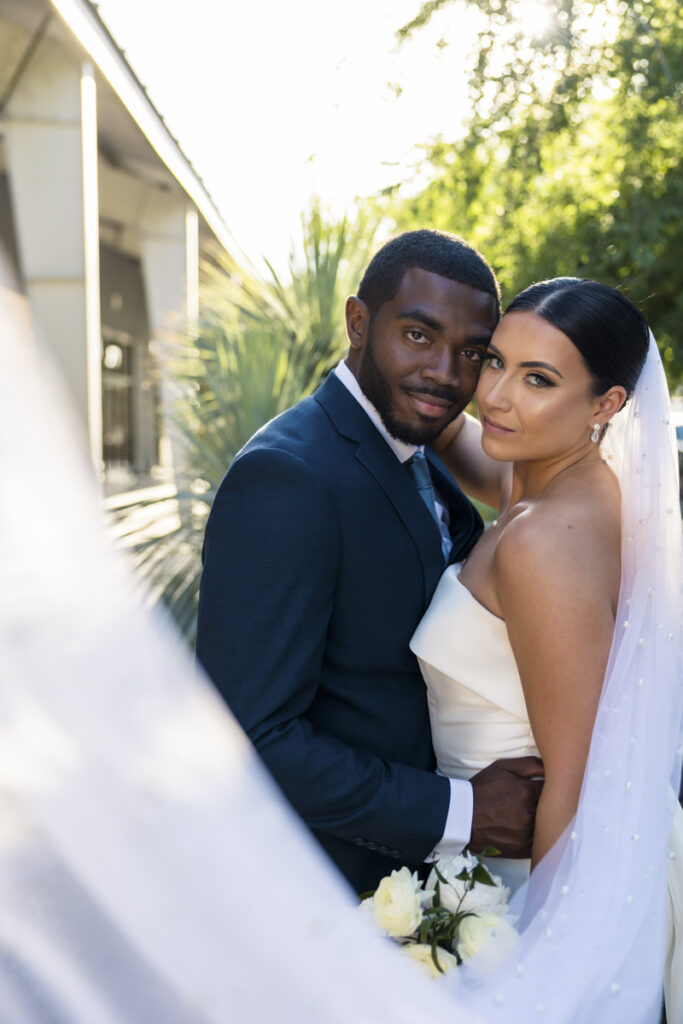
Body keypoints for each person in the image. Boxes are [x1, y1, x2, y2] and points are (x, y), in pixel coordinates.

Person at [195, 230, 543, 895]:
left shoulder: (412, 442)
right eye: (418, 336)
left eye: (471, 352)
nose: (446, 372)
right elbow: (251, 737)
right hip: (338, 894)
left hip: (432, 884)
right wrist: (464, 812)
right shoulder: (288, 477)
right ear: (358, 323)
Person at [410, 278, 683, 1020]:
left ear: (607, 405)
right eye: (493, 362)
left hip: (529, 882)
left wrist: (543, 959)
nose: (494, 397)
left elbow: (577, 777)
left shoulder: (542, 542)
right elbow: (453, 431)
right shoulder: (548, 479)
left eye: (538, 380)